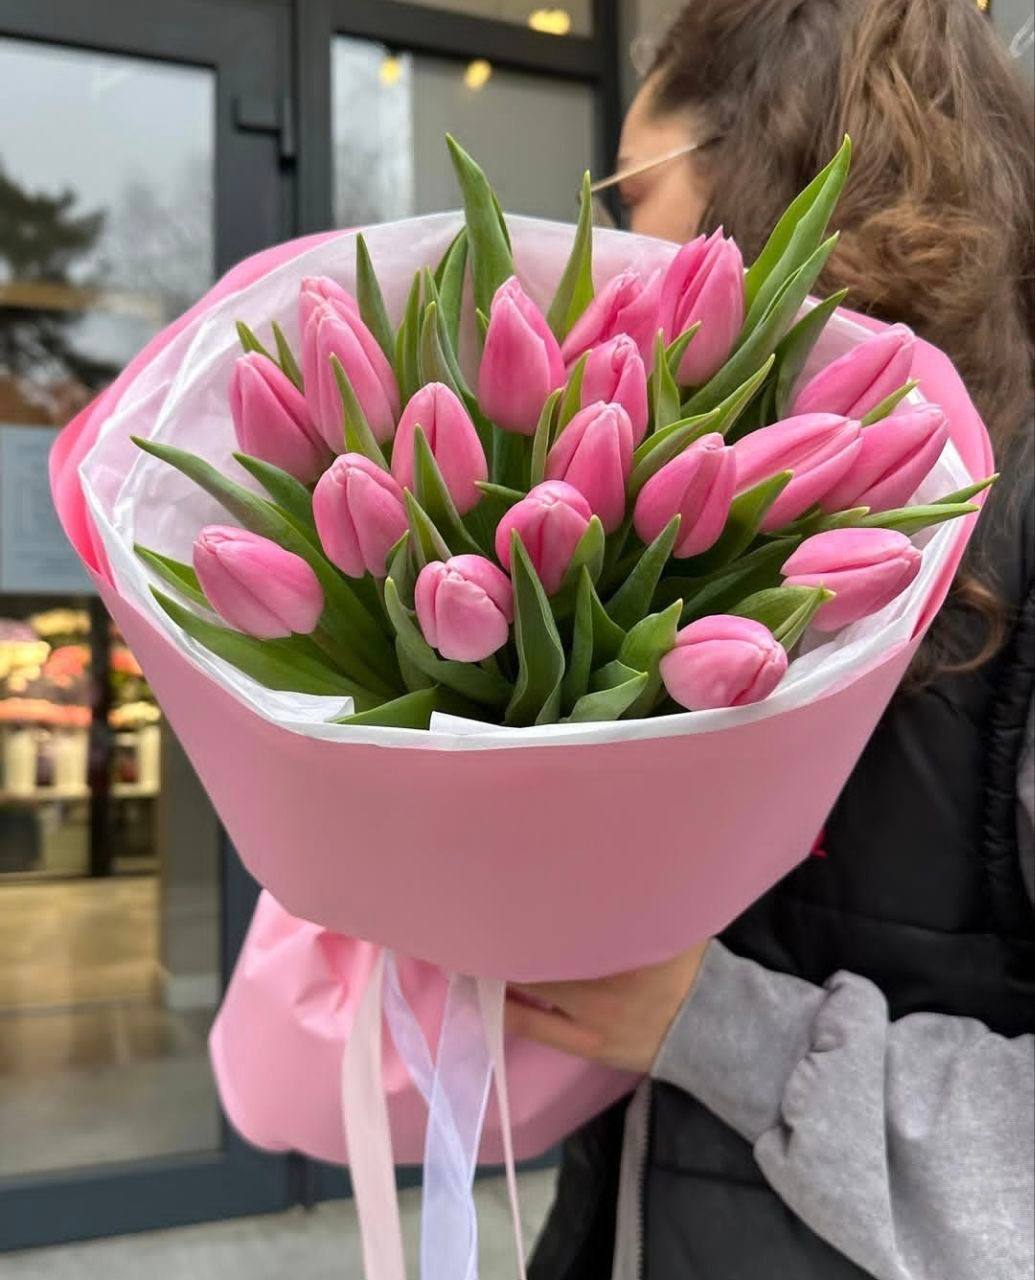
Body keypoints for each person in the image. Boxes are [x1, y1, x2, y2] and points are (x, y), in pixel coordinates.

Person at [509, 3, 1035, 1277]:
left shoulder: (1008, 519)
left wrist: (718, 1025)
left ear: (760, 174)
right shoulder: (667, 519)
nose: (610, 251)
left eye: (628, 193)